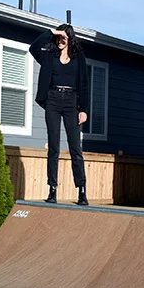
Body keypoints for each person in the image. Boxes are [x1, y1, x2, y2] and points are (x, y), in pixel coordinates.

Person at [29, 24, 90, 206]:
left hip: (72, 102)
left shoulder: (78, 58)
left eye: (64, 38)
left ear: (70, 39)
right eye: (58, 38)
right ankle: (52, 190)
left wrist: (84, 109)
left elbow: (85, 85)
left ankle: (82, 190)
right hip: (53, 100)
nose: (60, 41)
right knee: (53, 146)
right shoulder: (49, 55)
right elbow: (33, 48)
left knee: (75, 148)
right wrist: (52, 32)